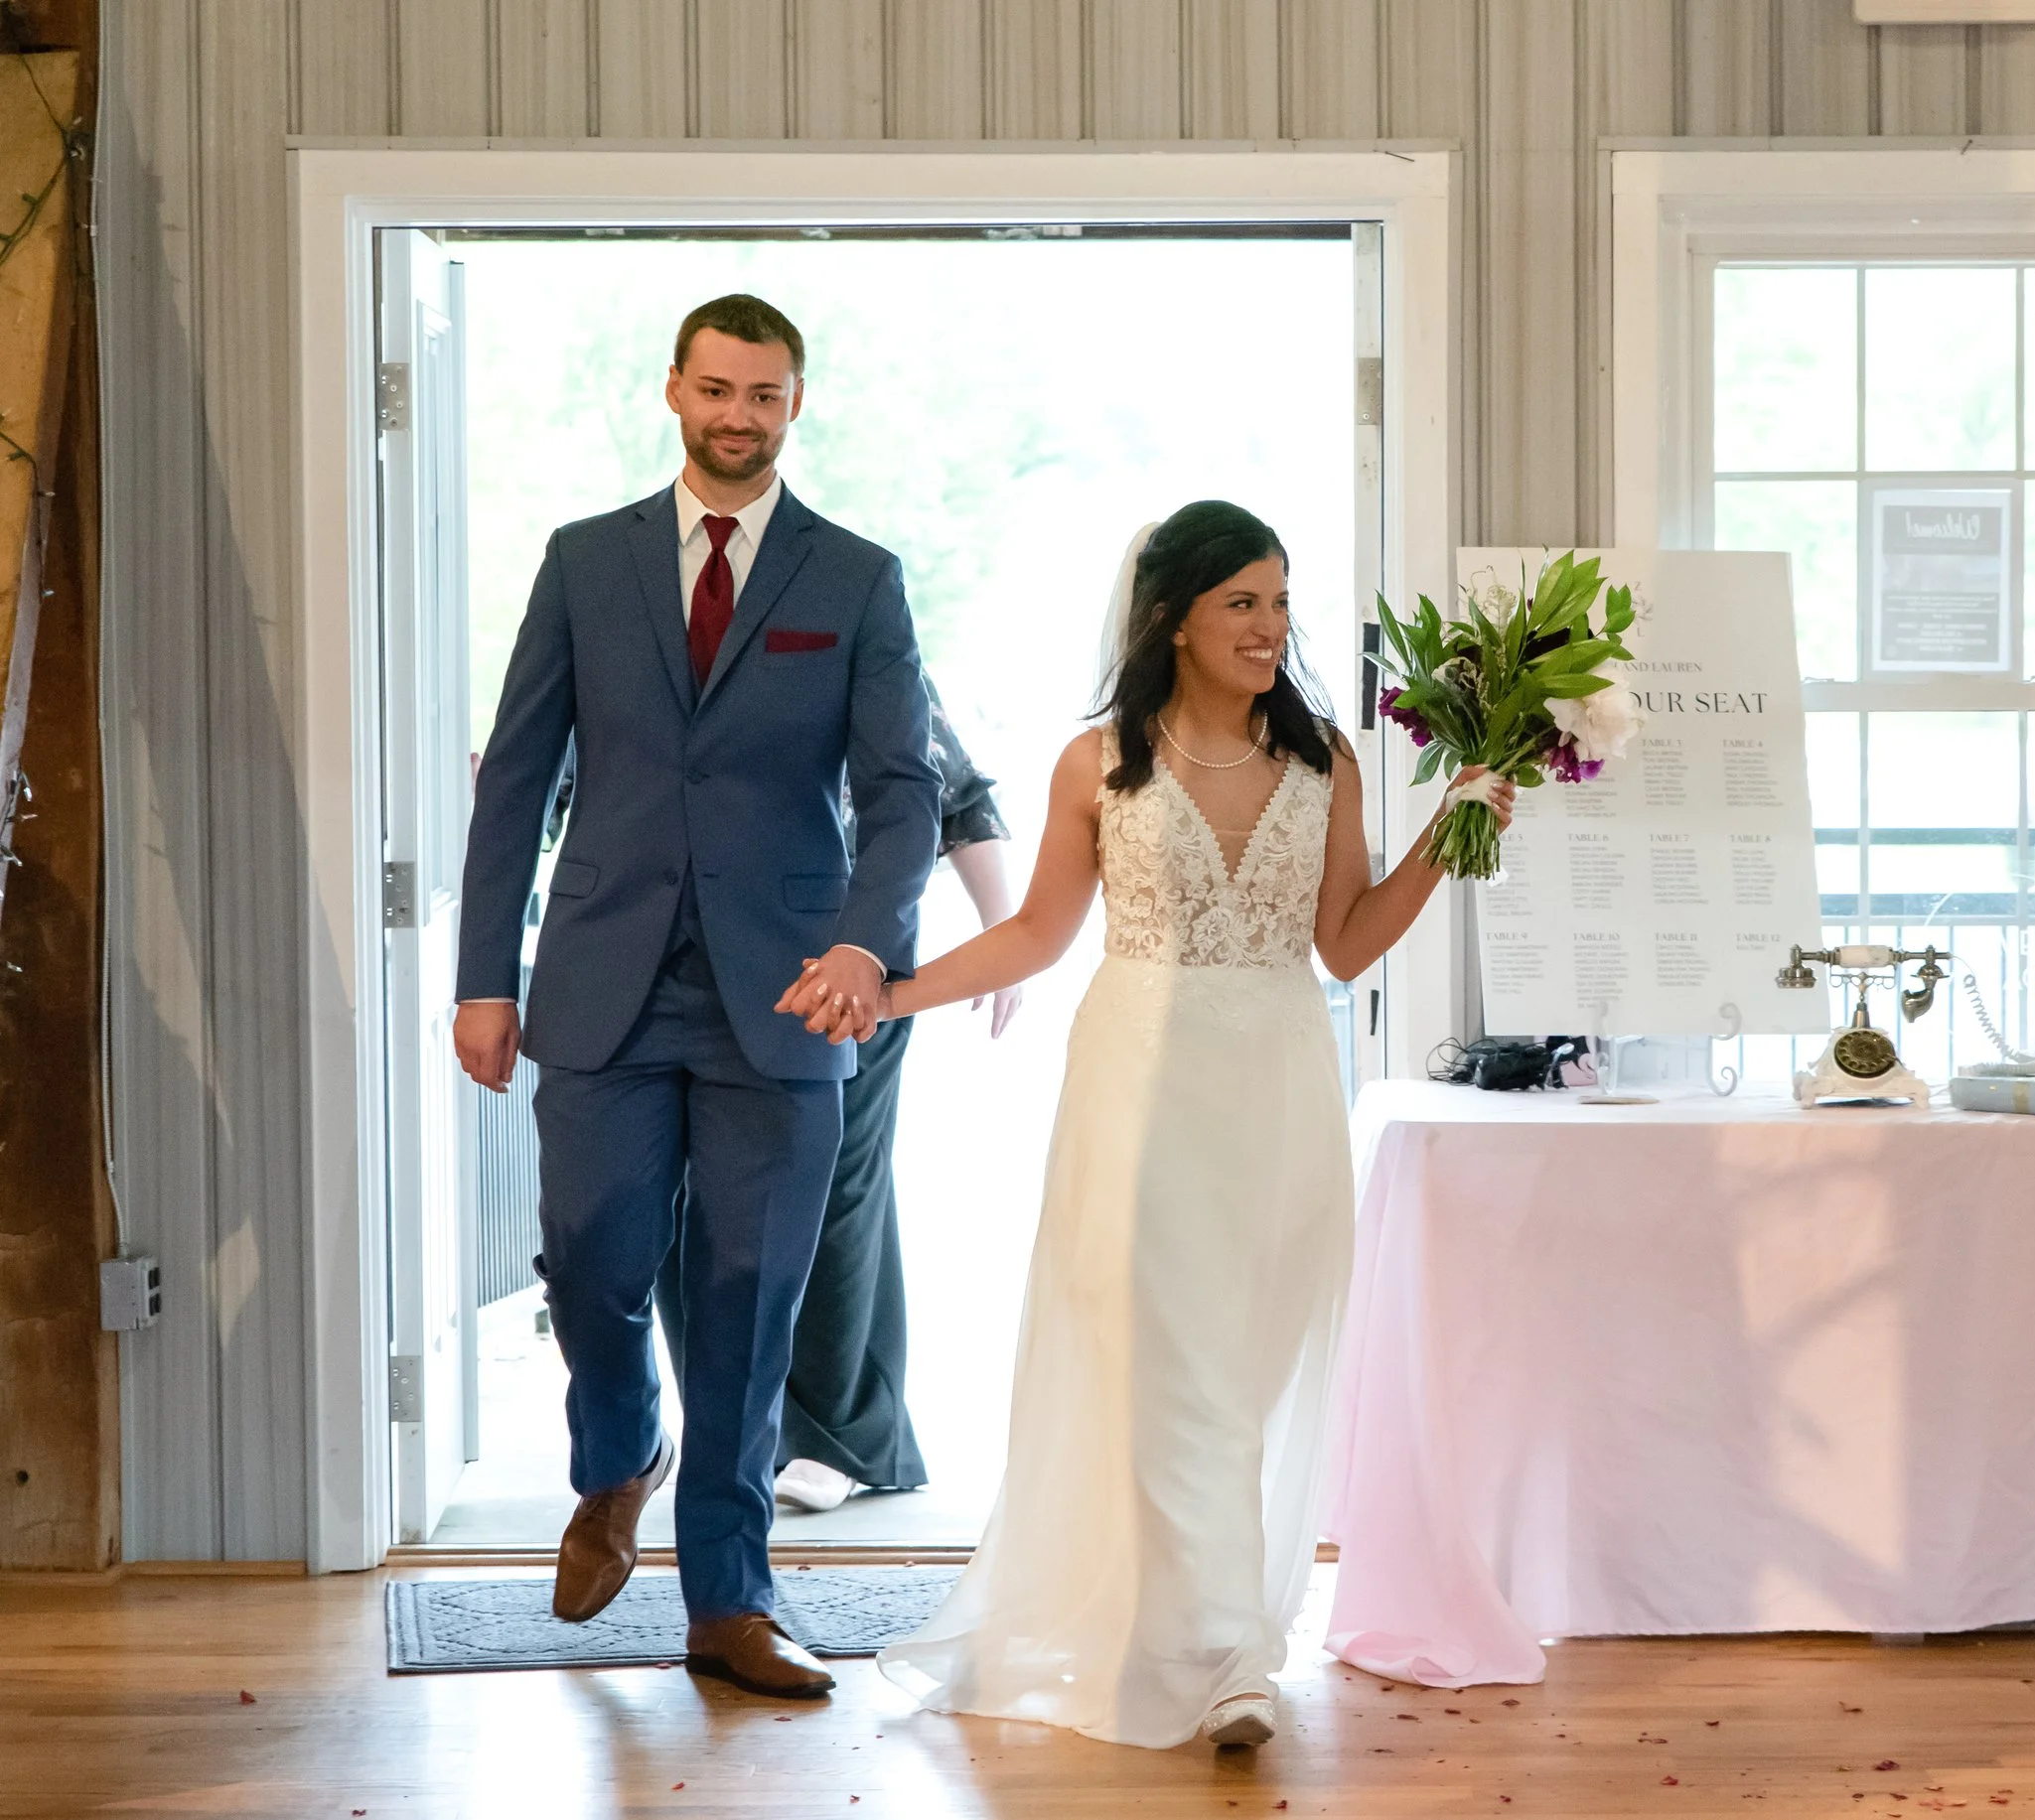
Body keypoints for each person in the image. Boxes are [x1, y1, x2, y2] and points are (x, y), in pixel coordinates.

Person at [779, 501, 1515, 1749]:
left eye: (1281, 602)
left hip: (1278, 1082)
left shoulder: (1322, 758)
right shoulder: (1097, 761)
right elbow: (1033, 937)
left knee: (1247, 1365)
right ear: (1174, 616)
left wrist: (1454, 829)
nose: (1270, 627)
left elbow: (1344, 945)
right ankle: (1231, 1655)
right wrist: (893, 994)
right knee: (1171, 1367)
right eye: (1243, 602)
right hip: (1137, 1086)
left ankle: (1206, 1624)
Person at [453, 293, 941, 1702]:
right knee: (589, 1255)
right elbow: (517, 784)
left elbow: (899, 790)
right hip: (602, 981)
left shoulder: (856, 578)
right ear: (673, 390)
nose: (740, 415)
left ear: (799, 403)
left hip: (786, 996)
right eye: (718, 389)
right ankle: (617, 1455)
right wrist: (487, 976)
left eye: (767, 394)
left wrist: (865, 943)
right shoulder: (584, 561)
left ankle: (730, 1598)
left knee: (749, 1295)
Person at [654, 676, 1018, 1510]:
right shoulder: (665, 647)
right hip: (691, 964)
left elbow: (959, 799)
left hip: (854, 968)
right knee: (693, 1196)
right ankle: (737, 1420)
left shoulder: (864, 636)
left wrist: (1003, 945)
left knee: (842, 1185)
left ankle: (845, 1434)